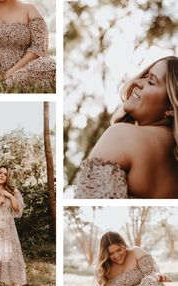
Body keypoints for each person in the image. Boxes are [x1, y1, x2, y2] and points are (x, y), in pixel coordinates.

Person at [75, 56, 178, 198]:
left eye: (151, 82)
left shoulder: (122, 136)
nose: (137, 82)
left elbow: (89, 198)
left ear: (171, 107)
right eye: (145, 76)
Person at [95, 231, 178, 286]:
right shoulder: (104, 269)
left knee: (150, 282)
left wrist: (157, 276)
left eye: (119, 250)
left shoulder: (135, 252)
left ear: (123, 245)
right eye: (111, 253)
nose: (116, 255)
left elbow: (151, 274)